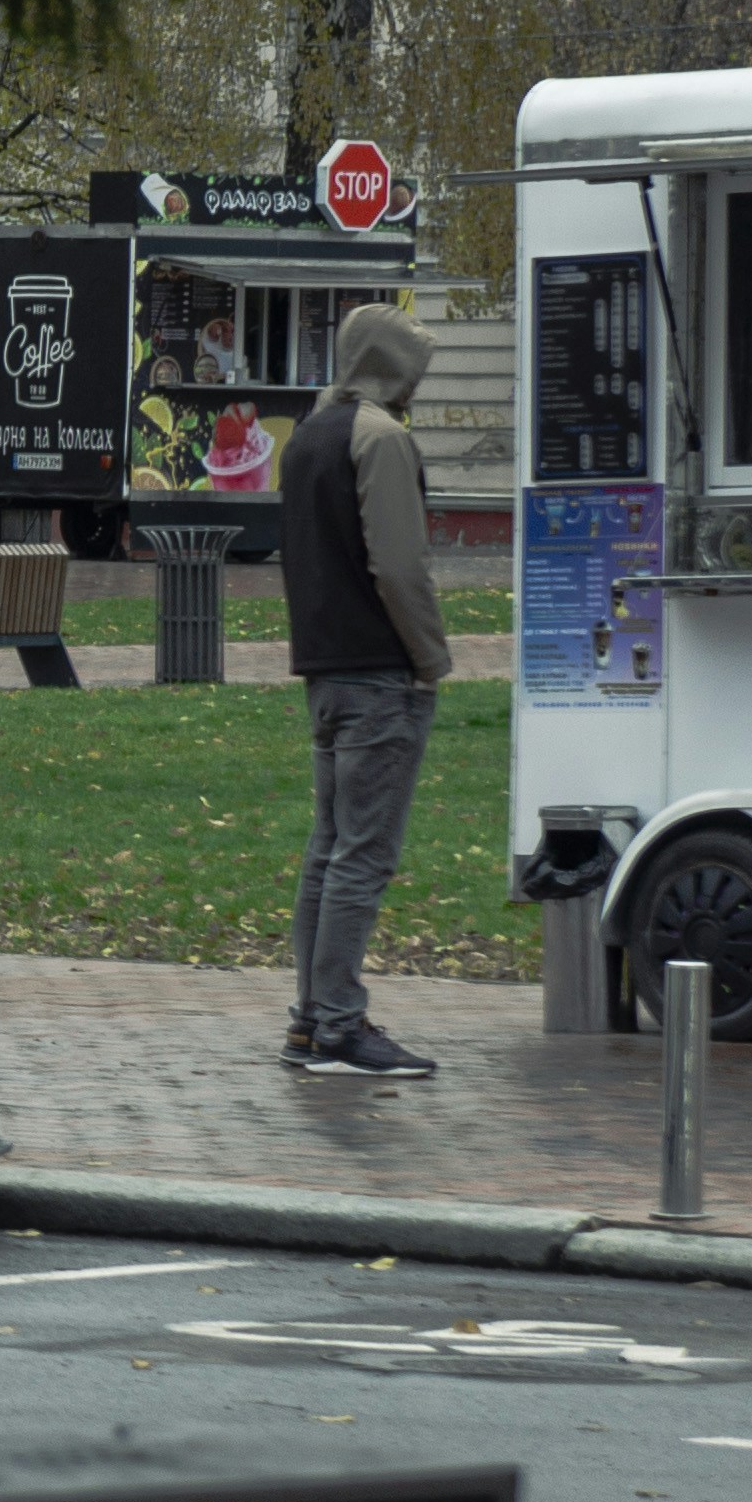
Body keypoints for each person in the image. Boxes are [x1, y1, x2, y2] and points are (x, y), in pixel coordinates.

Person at [278, 304, 452, 1078]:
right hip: (381, 674)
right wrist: (431, 660)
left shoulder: (310, 433)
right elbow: (400, 567)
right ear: (393, 363)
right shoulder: (381, 438)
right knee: (362, 858)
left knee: (327, 851)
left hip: (323, 670)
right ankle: (342, 1025)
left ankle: (311, 1021)